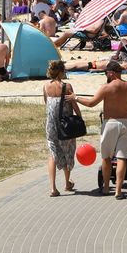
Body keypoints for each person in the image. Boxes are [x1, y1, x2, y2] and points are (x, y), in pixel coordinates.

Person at [72, 60, 127, 199]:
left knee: (106, 157)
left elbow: (91, 103)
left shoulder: (106, 87)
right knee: (122, 157)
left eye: (106, 73)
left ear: (111, 73)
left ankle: (107, 188)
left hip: (110, 123)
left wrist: (76, 98)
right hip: (125, 123)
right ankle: (119, 191)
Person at [43, 60, 79, 197]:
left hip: (51, 124)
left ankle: (53, 188)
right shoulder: (67, 86)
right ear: (60, 71)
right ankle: (67, 183)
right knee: (67, 151)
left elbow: (47, 104)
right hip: (66, 125)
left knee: (53, 153)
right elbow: (74, 105)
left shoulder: (46, 86)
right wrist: (80, 118)